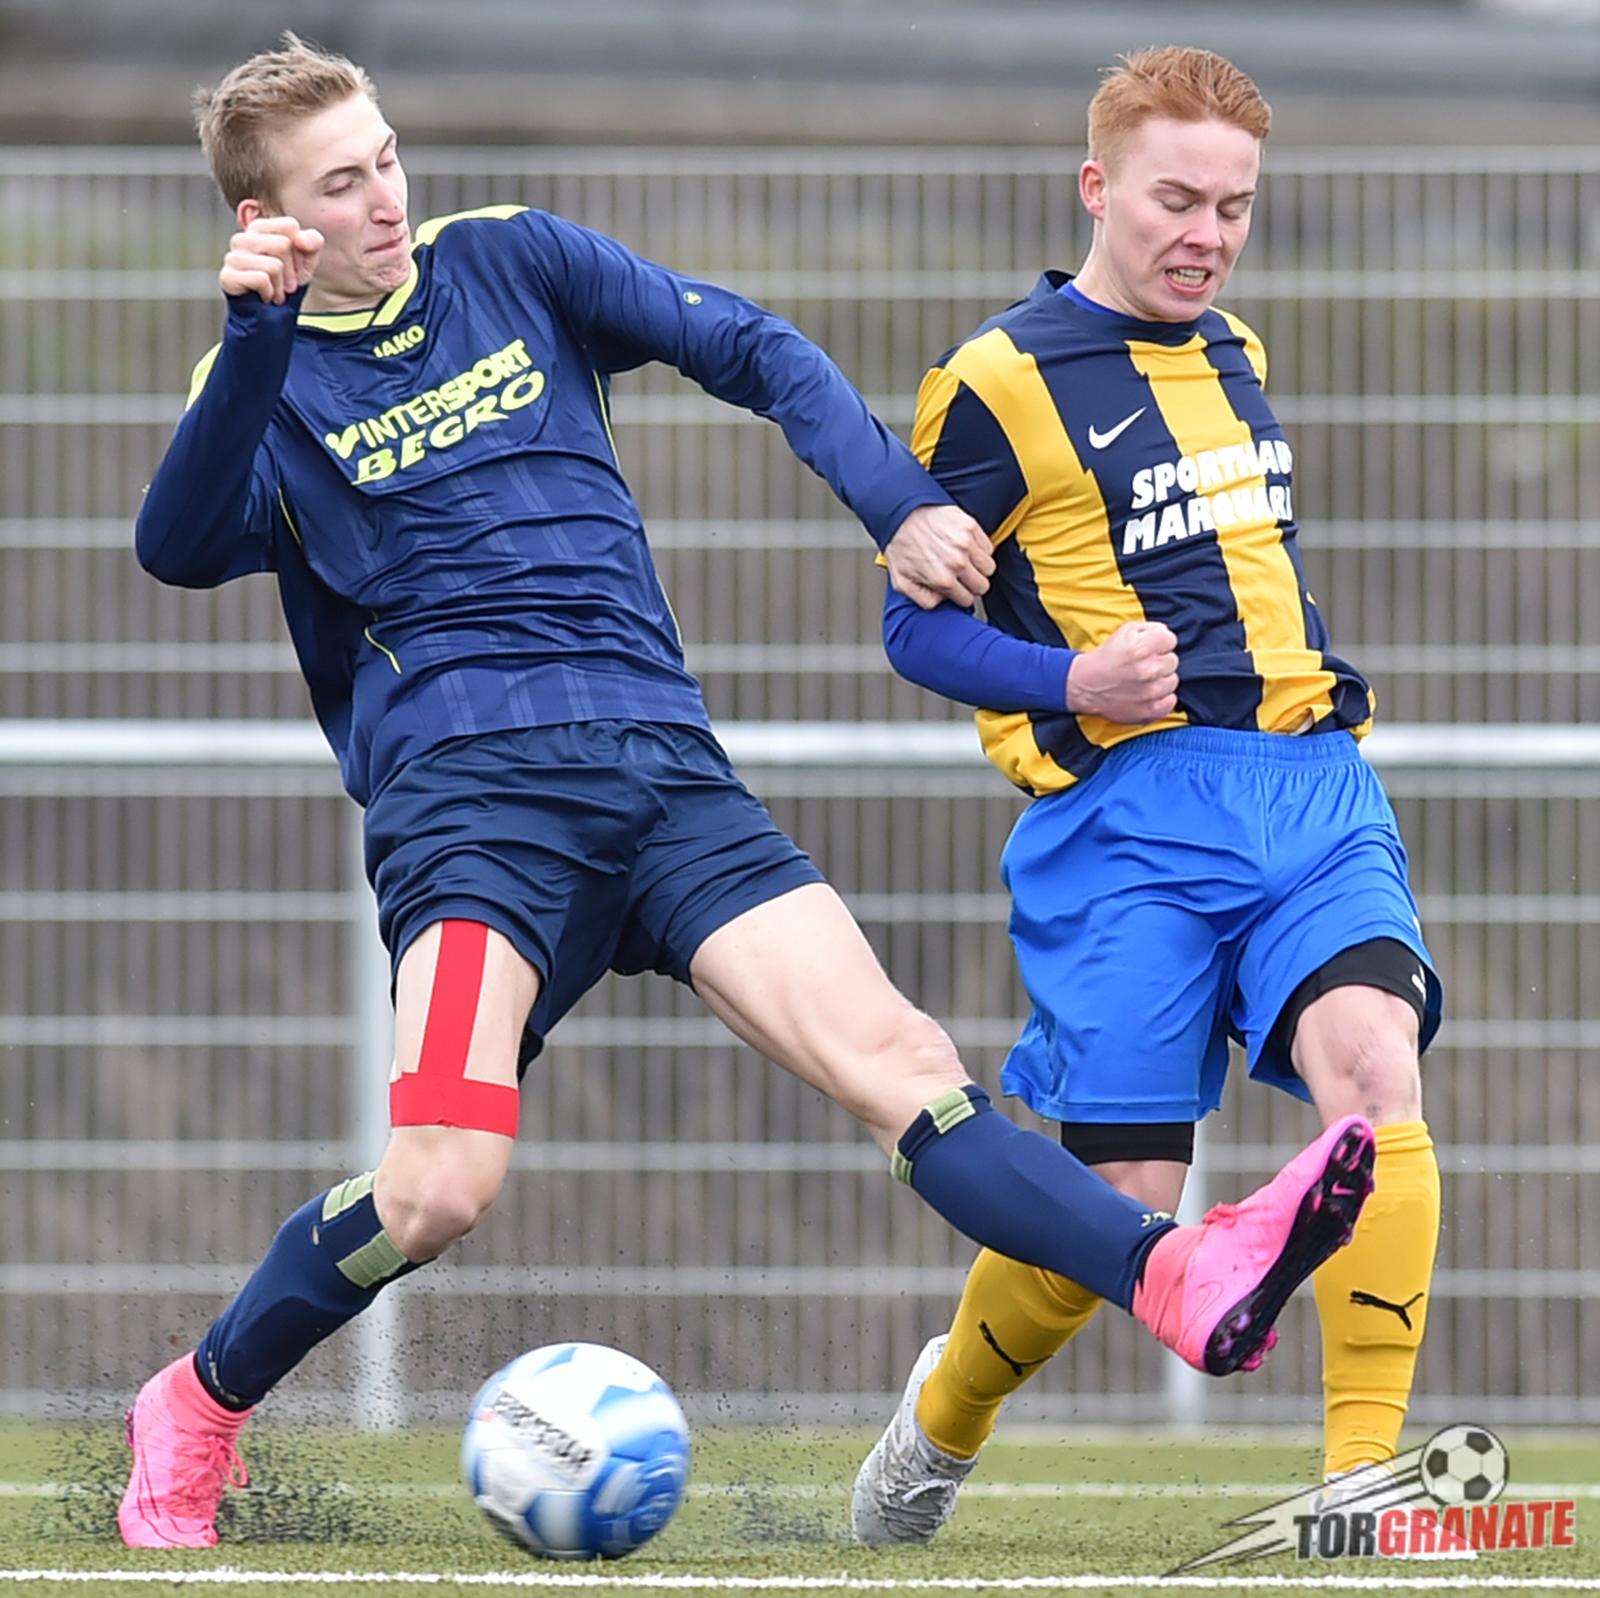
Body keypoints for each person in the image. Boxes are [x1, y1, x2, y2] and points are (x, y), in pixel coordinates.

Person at [117, 35, 1377, 1552]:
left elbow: (756, 349)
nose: (385, 197)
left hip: (666, 773)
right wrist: (253, 335)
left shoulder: (510, 257)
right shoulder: (257, 379)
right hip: (475, 811)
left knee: (906, 1062)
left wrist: (898, 506)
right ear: (267, 221)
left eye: (386, 158)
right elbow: (179, 546)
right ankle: (194, 1403)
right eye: (340, 184)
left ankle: (1177, 1274)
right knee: (440, 1184)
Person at [852, 46, 1443, 1548]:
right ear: (1096, 188)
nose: (1207, 234)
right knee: (1121, 1196)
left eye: (1234, 207)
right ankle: (940, 1424)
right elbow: (914, 631)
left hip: (1311, 789)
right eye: (1178, 200)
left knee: (1375, 1076)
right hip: (1128, 824)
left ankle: (1361, 1483)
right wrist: (1073, 680)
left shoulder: (1235, 349)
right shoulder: (995, 382)